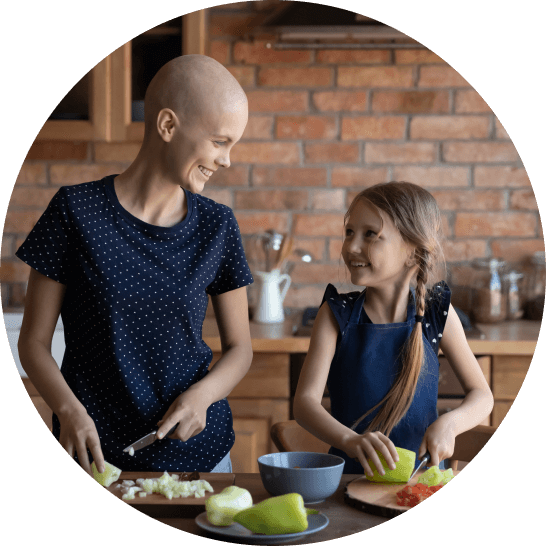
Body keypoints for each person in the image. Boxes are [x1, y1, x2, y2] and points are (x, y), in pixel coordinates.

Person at [16, 55, 254, 476]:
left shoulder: (218, 225)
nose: (227, 160)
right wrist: (68, 410)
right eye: (220, 142)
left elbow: (240, 349)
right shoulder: (74, 212)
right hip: (94, 454)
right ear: (167, 126)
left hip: (201, 455)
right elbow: (33, 343)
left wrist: (203, 397)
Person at [293, 181, 494, 476]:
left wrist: (450, 423)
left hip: (419, 483)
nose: (352, 246)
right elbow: (304, 404)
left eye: (370, 235)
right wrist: (350, 440)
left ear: (412, 251)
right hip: (348, 481)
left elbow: (482, 396)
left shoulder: (438, 313)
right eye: (349, 232)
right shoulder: (335, 315)